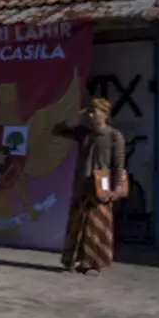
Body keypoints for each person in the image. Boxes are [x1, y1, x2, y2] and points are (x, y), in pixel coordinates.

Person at [54, 98, 126, 275]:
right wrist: (76, 117)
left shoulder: (113, 136)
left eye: (95, 112)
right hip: (82, 184)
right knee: (77, 224)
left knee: (96, 226)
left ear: (105, 114)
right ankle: (72, 260)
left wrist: (117, 187)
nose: (92, 115)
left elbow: (119, 165)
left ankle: (93, 264)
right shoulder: (83, 133)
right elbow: (57, 130)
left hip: (100, 187)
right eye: (90, 112)